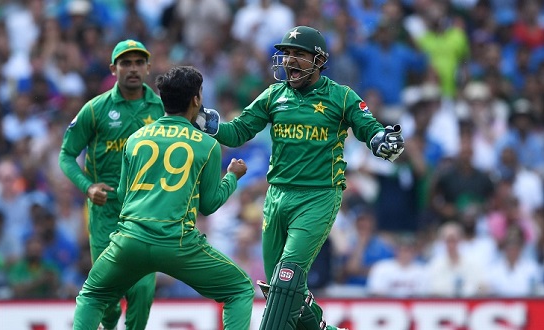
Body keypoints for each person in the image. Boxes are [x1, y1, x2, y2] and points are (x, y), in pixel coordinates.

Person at [195, 25, 404, 330]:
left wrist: (381, 140)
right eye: (286, 54)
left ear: (319, 60)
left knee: (286, 277)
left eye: (298, 54)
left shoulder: (341, 96)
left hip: (318, 197)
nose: (290, 60)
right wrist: (207, 121)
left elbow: (369, 128)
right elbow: (238, 131)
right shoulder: (273, 95)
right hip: (277, 196)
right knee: (279, 291)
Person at [72, 66, 254, 329]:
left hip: (130, 241)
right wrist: (232, 177)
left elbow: (123, 195)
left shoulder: (134, 140)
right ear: (196, 100)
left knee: (92, 296)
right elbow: (209, 204)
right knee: (239, 289)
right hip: (176, 244)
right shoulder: (207, 144)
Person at [59, 39, 164, 330]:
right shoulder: (95, 109)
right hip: (106, 214)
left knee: (143, 291)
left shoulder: (162, 109)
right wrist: (87, 187)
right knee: (107, 296)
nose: (133, 69)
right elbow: (67, 155)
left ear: (148, 67)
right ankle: (108, 323)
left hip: (147, 212)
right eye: (125, 63)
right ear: (113, 68)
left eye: (138, 62)